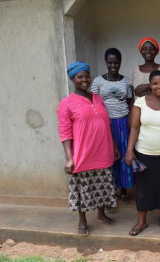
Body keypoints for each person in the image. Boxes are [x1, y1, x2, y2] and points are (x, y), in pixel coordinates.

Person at [57, 62, 119, 237]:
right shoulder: (66, 103)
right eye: (80, 77)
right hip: (83, 154)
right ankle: (82, 219)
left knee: (103, 185)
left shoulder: (98, 99)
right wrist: (69, 158)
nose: (85, 80)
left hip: (103, 151)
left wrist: (114, 146)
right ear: (73, 79)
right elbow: (65, 133)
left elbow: (107, 124)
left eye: (87, 76)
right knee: (83, 188)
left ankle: (101, 214)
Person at [125, 70, 160, 236]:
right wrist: (129, 150)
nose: (159, 86)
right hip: (144, 152)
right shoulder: (140, 102)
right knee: (144, 188)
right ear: (150, 85)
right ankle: (142, 220)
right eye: (155, 83)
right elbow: (134, 127)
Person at [90, 48, 134, 204]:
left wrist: (129, 121)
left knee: (123, 155)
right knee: (108, 157)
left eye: (116, 62)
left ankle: (123, 190)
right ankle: (110, 193)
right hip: (104, 124)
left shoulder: (126, 81)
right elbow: (94, 103)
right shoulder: (98, 81)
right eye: (110, 62)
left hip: (122, 122)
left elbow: (130, 102)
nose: (113, 65)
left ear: (120, 63)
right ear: (106, 63)